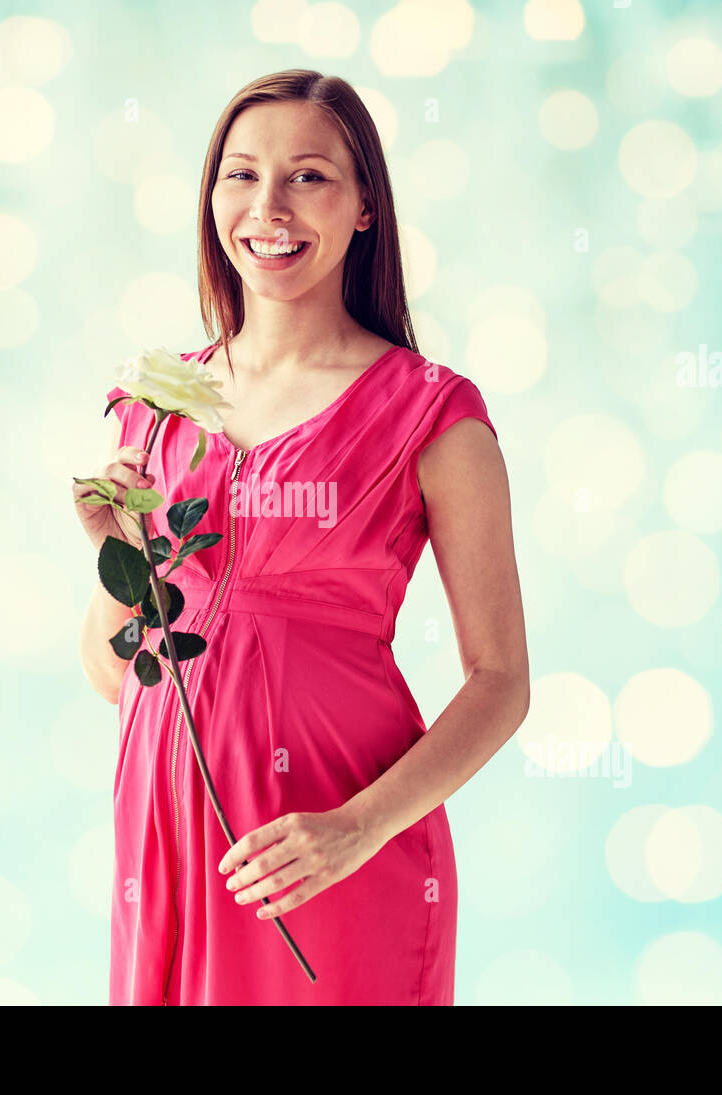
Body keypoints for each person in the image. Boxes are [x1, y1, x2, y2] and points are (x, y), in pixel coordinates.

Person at [75, 69, 530, 1005]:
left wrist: (356, 830)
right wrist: (120, 561)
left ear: (366, 205)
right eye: (241, 175)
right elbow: (114, 670)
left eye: (309, 176)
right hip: (170, 830)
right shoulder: (155, 402)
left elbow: (502, 683)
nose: (268, 206)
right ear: (211, 198)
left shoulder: (433, 415)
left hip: (328, 845)